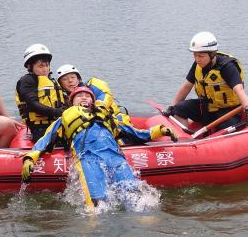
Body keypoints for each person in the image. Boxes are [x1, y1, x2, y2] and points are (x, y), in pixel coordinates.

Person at [21, 86, 177, 206]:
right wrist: (30, 158)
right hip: (88, 159)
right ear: (71, 102)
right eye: (79, 96)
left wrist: (160, 130)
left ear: (93, 101)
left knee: (136, 197)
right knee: (98, 203)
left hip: (115, 158)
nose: (83, 98)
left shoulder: (106, 117)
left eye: (87, 96)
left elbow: (135, 133)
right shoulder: (65, 118)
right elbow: (46, 139)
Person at [164, 31, 248, 132]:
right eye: (195, 55)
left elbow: (239, 90)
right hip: (206, 108)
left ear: (212, 54)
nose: (197, 59)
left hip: (227, 111)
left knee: (226, 127)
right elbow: (186, 87)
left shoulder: (227, 67)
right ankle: (183, 138)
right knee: (180, 108)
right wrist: (172, 106)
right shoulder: (197, 65)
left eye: (201, 56)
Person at [15, 44, 65, 142]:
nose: (45, 69)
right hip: (40, 128)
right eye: (40, 66)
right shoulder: (27, 81)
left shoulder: (52, 82)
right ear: (30, 66)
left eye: (47, 65)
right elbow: (32, 104)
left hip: (57, 123)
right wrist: (56, 112)